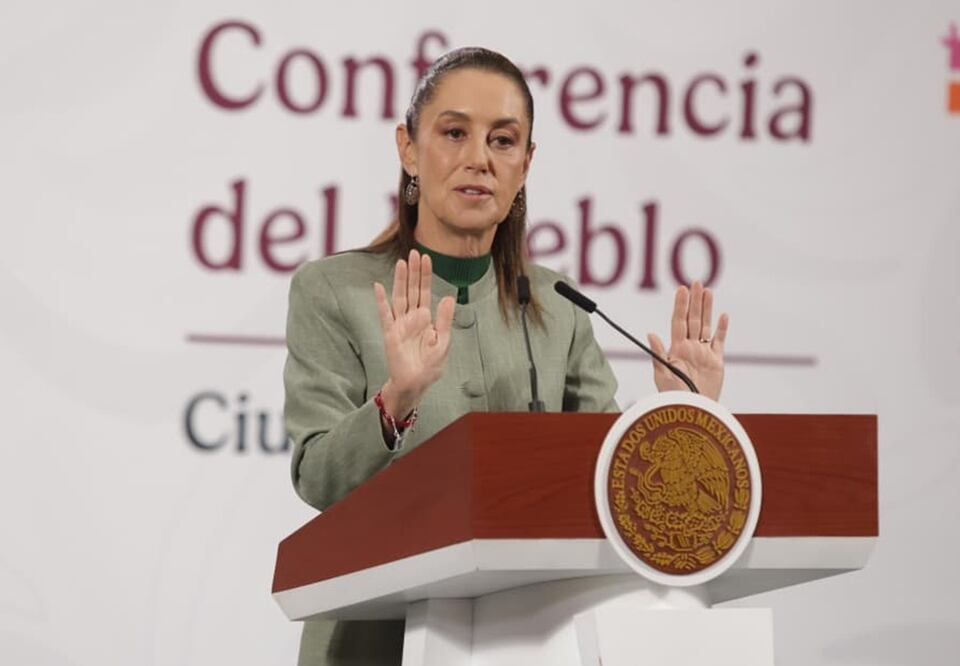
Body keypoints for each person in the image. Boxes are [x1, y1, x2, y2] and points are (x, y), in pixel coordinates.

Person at [282, 46, 731, 666]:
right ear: (408, 149)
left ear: (526, 163)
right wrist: (396, 399)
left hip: (532, 641)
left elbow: (605, 481)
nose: (478, 160)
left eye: (502, 140)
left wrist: (680, 420)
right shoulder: (334, 291)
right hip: (376, 643)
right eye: (454, 133)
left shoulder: (558, 304)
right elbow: (317, 475)